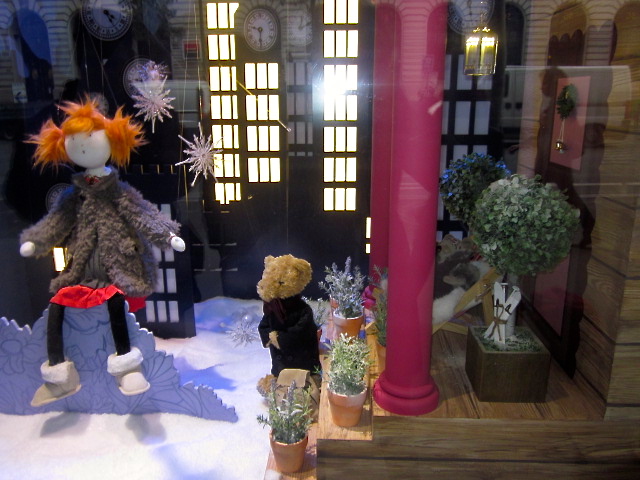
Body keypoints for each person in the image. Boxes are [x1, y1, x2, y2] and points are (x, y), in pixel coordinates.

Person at [19, 98, 185, 406]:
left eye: (89, 138)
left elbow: (143, 214)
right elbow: (55, 222)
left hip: (116, 266)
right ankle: (60, 373)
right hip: (82, 270)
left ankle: (128, 366)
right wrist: (36, 241)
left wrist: (167, 234)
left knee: (116, 308)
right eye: (75, 140)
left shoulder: (118, 193)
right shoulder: (74, 197)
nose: (82, 147)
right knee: (57, 306)